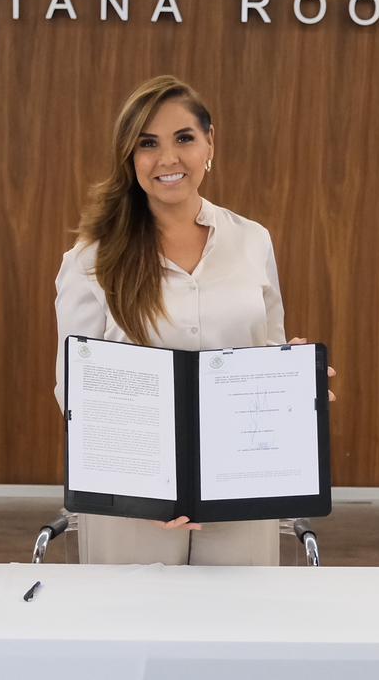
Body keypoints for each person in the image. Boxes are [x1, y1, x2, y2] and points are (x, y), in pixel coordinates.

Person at [54, 75, 332, 565]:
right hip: (133, 501)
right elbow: (74, 388)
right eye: (148, 144)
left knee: (240, 615)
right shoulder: (91, 259)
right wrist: (144, 485)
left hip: (241, 489)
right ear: (129, 156)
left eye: (184, 138)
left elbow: (267, 347)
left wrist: (293, 379)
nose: (168, 159)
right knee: (133, 615)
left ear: (209, 144)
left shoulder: (252, 240)